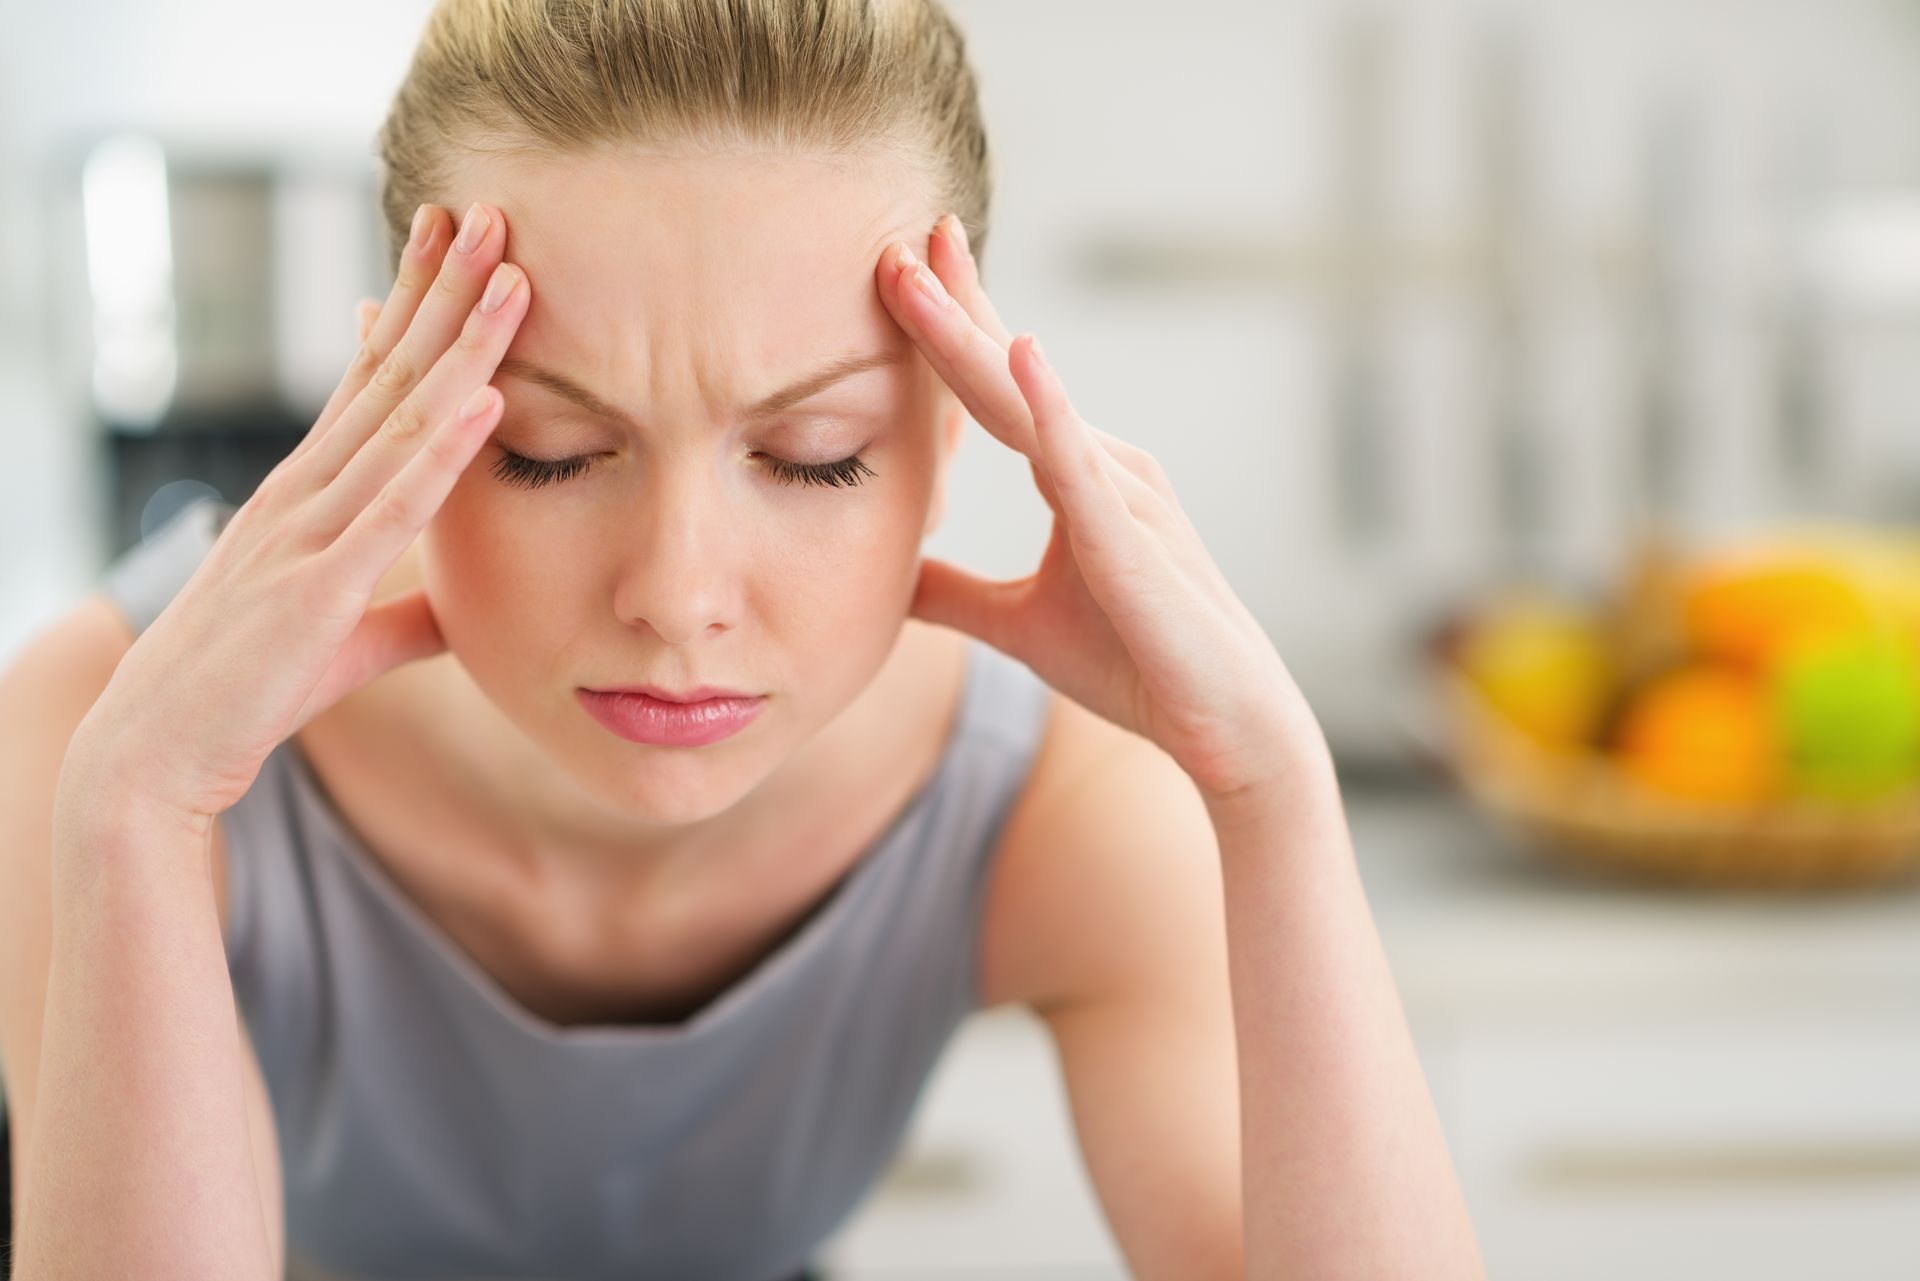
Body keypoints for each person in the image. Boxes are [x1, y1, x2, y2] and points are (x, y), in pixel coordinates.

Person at [0, 1, 1487, 1278]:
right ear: (393, 389)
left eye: (817, 454)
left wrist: (1276, 794)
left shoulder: (1052, 795)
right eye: (553, 450)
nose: (680, 594)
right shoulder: (120, 736)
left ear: (949, 435)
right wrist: (133, 812)